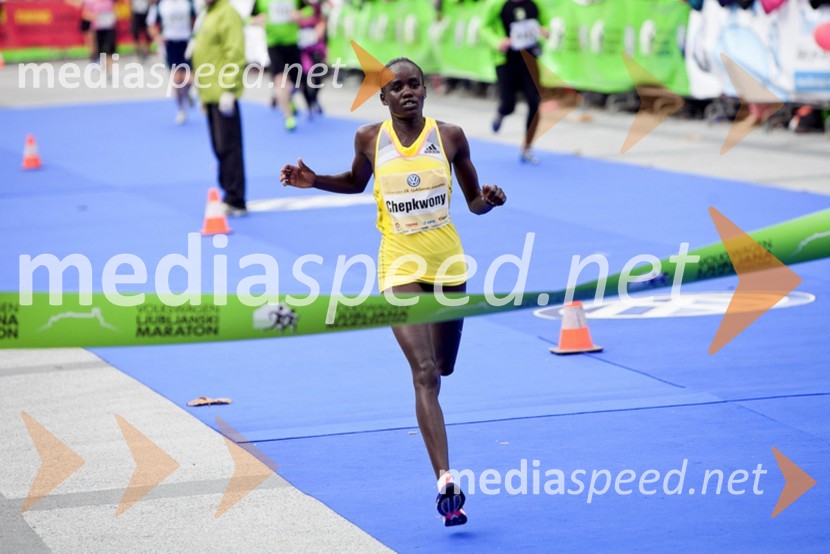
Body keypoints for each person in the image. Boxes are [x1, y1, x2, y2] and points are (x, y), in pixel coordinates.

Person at [280, 58, 506, 527]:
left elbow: (474, 204)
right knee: (424, 372)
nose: (407, 92)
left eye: (415, 84)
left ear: (426, 89)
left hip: (448, 265)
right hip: (398, 265)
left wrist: (490, 199)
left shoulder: (451, 137)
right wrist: (314, 179)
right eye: (396, 87)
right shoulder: (369, 138)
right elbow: (356, 181)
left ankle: (441, 439)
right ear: (383, 98)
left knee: (444, 364)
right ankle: (446, 480)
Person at [191, 0, 248, 215]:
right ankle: (228, 193)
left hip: (223, 92)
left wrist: (229, 88)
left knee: (229, 146)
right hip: (210, 92)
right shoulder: (208, 13)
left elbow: (235, 52)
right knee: (219, 146)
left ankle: (235, 198)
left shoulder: (227, 13)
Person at [481, 0, 550, 164]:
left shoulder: (535, 4)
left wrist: (545, 31)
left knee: (535, 101)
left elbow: (546, 22)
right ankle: (501, 112)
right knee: (509, 105)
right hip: (506, 61)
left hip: (529, 59)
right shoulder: (496, 5)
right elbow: (483, 27)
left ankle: (527, 147)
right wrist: (497, 41)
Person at [251, 0, 303, 131]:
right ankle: (288, 116)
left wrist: (299, 14)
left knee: (296, 83)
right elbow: (249, 18)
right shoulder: (260, 2)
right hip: (273, 44)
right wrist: (257, 20)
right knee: (280, 80)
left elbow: (310, 10)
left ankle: (289, 100)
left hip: (292, 43)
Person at [147, 0, 196, 124]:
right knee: (177, 80)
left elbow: (196, 19)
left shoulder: (188, 3)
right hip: (170, 44)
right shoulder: (160, 5)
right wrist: (157, 37)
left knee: (190, 79)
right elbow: (151, 24)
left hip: (186, 42)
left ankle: (187, 93)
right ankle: (181, 109)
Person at [297, 0, 327, 118]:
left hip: (316, 47)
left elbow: (322, 21)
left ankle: (314, 99)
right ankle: (309, 103)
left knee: (319, 76)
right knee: (302, 78)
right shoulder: (296, 5)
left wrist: (321, 27)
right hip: (301, 49)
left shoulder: (317, 6)